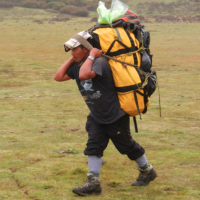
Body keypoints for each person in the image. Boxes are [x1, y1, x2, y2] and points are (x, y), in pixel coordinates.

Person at [54, 31, 157, 196]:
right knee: (94, 146)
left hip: (114, 115)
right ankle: (93, 183)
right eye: (71, 50)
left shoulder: (100, 62)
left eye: (75, 49)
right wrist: (73, 59)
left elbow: (84, 75)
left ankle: (147, 170)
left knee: (126, 146)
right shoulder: (78, 63)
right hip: (96, 114)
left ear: (87, 48)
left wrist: (92, 56)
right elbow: (58, 77)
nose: (72, 53)